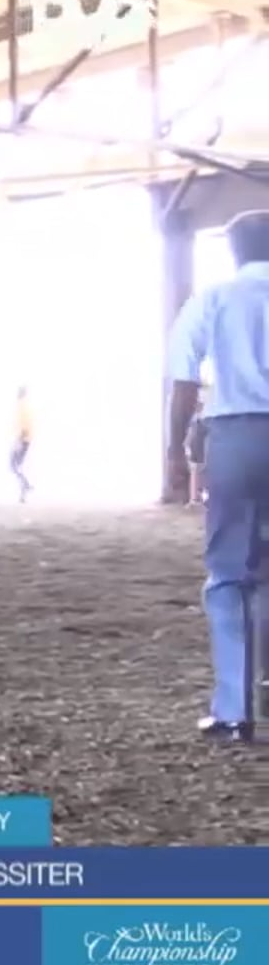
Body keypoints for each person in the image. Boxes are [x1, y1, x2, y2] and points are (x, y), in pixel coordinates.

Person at [165, 208, 269, 746]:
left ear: (234, 250)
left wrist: (176, 453)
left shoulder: (212, 299)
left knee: (230, 573)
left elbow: (183, 376)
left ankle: (234, 711)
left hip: (235, 437)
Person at [9, 385, 34, 503]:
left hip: (22, 440)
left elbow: (24, 425)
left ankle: (25, 486)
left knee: (15, 465)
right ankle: (25, 488)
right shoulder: (24, 406)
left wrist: (19, 440)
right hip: (24, 439)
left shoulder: (22, 406)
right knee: (16, 466)